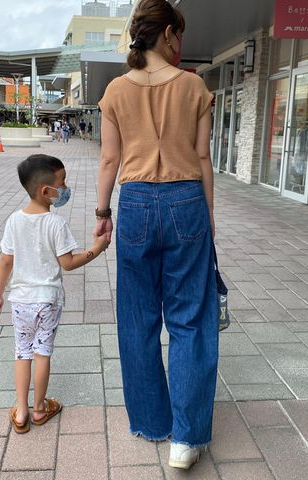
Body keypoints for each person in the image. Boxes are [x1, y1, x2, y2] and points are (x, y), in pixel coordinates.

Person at [95, 0, 218, 470]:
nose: (180, 43)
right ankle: (186, 439)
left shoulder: (115, 91)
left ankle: (151, 420)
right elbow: (203, 158)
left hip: (136, 203)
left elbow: (109, 160)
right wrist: (208, 216)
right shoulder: (194, 86)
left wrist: (103, 212)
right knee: (191, 319)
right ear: (166, 33)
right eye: (179, 34)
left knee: (137, 316)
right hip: (187, 199)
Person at [0, 154, 109, 434]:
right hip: (48, 301)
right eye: (62, 182)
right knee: (42, 353)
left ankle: (21, 412)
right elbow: (68, 263)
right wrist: (97, 248)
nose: (65, 187)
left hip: (20, 301)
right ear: (46, 191)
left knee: (22, 353)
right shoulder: (56, 224)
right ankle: (40, 408)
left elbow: (5, 261)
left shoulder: (14, 220)